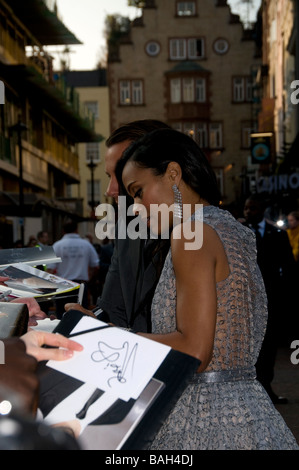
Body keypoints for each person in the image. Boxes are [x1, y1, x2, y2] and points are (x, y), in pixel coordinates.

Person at [114, 127, 298, 450]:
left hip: (200, 418)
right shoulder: (232, 229)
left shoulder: (190, 234)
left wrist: (119, 341)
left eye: (138, 191)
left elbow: (195, 352)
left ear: (173, 173)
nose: (134, 207)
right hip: (251, 412)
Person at [65, 120, 171, 331]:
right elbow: (111, 308)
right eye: (108, 176)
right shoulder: (125, 229)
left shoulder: (197, 231)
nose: (110, 190)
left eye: (121, 175)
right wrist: (87, 318)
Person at [243, 194, 297, 403]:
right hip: (245, 298)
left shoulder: (278, 234)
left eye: (253, 208)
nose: (249, 212)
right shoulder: (238, 233)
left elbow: (289, 266)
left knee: (269, 345)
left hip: (272, 298)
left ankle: (266, 386)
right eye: (247, 208)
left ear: (262, 210)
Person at [48, 219, 99, 316]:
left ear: (63, 231)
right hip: (80, 286)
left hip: (62, 285)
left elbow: (50, 269)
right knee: (81, 316)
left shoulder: (57, 246)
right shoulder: (86, 245)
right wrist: (90, 278)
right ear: (77, 230)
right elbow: (95, 265)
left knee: (61, 317)